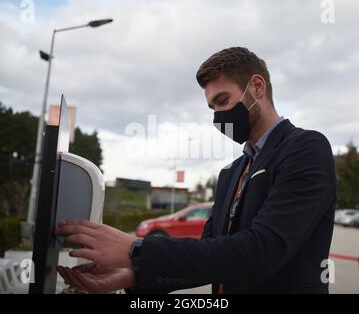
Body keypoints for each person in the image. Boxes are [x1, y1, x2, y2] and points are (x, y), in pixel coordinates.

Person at [56, 47, 336, 294]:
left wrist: (135, 250)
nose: (218, 116)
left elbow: (261, 250)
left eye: (223, 100)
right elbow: (210, 255)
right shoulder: (231, 173)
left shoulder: (306, 148)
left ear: (257, 87)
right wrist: (133, 276)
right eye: (212, 106)